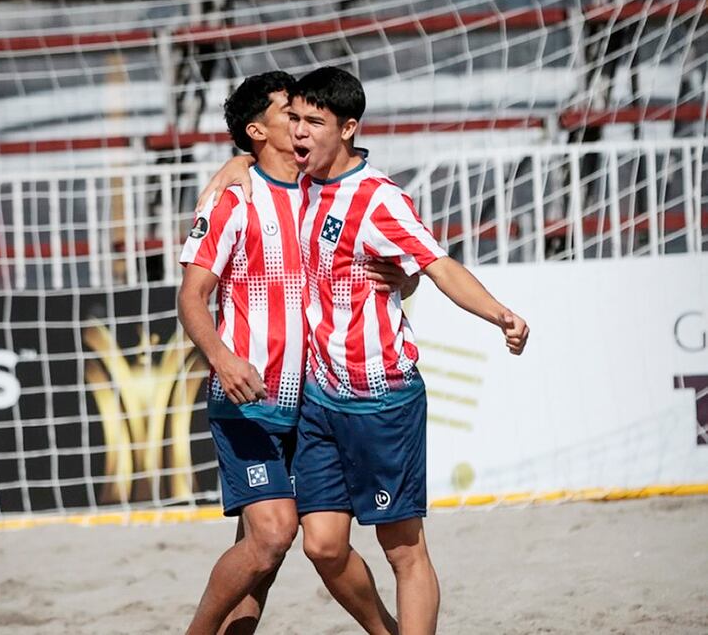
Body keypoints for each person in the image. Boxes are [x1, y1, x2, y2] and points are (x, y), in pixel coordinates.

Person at [200, 66, 529, 634]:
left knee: (402, 549)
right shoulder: (291, 186)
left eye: (313, 122)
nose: (299, 132)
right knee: (320, 547)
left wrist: (499, 312)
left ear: (347, 128)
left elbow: (435, 264)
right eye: (293, 119)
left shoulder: (378, 199)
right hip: (317, 402)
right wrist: (234, 163)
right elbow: (258, 169)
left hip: (382, 400)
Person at [178, 71, 409, 635]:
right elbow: (190, 298)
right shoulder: (234, 201)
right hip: (249, 400)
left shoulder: (323, 194)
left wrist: (402, 278)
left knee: (264, 557)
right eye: (289, 112)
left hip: (312, 405)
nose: (302, 120)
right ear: (258, 130)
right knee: (273, 536)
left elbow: (358, 172)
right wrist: (225, 360)